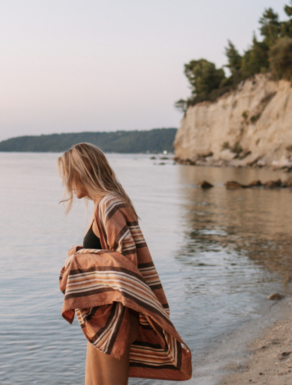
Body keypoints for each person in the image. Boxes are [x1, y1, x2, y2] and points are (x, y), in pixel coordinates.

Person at [57, 143, 192, 384]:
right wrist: (80, 255)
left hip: (116, 315)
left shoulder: (109, 205)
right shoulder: (102, 205)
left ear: (82, 171)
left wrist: (77, 258)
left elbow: (126, 263)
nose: (66, 183)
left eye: (67, 176)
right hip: (103, 313)